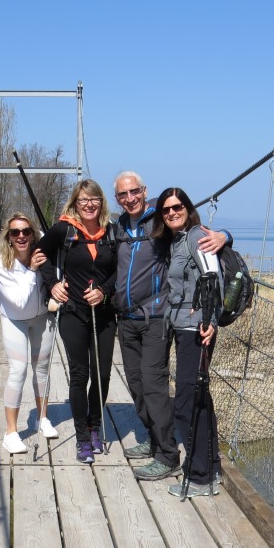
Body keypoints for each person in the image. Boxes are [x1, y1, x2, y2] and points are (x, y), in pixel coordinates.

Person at [113, 171, 228, 481]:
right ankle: (154, 439)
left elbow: (202, 244)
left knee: (154, 385)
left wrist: (225, 235)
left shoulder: (160, 223)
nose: (129, 198)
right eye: (123, 194)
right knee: (137, 385)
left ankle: (168, 454)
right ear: (117, 198)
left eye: (134, 191)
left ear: (144, 191)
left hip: (157, 319)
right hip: (126, 319)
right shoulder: (119, 226)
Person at [37, 179, 117, 464]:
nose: (89, 204)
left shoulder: (112, 232)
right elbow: (39, 255)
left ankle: (95, 426)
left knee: (102, 374)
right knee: (80, 374)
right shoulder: (64, 229)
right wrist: (53, 285)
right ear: (75, 203)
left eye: (94, 199)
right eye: (83, 200)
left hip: (104, 313)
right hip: (73, 313)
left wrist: (104, 291)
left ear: (101, 202)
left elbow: (120, 270)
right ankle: (83, 437)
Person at [151, 187, 221, 497]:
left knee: (185, 403)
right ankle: (211, 469)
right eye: (166, 209)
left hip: (197, 330)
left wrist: (211, 321)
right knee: (199, 399)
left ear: (188, 208)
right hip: (183, 327)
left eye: (177, 207)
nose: (172, 213)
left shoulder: (196, 237)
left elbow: (213, 279)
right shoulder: (177, 241)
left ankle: (199, 477)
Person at [0, 212, 58, 455]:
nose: (21, 236)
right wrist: (32, 270)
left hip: (42, 317)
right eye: (15, 232)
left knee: (42, 368)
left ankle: (42, 418)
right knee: (18, 370)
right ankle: (11, 433)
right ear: (8, 236)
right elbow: (18, 302)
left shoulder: (42, 249)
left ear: (33, 234)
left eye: (26, 231)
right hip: (14, 320)